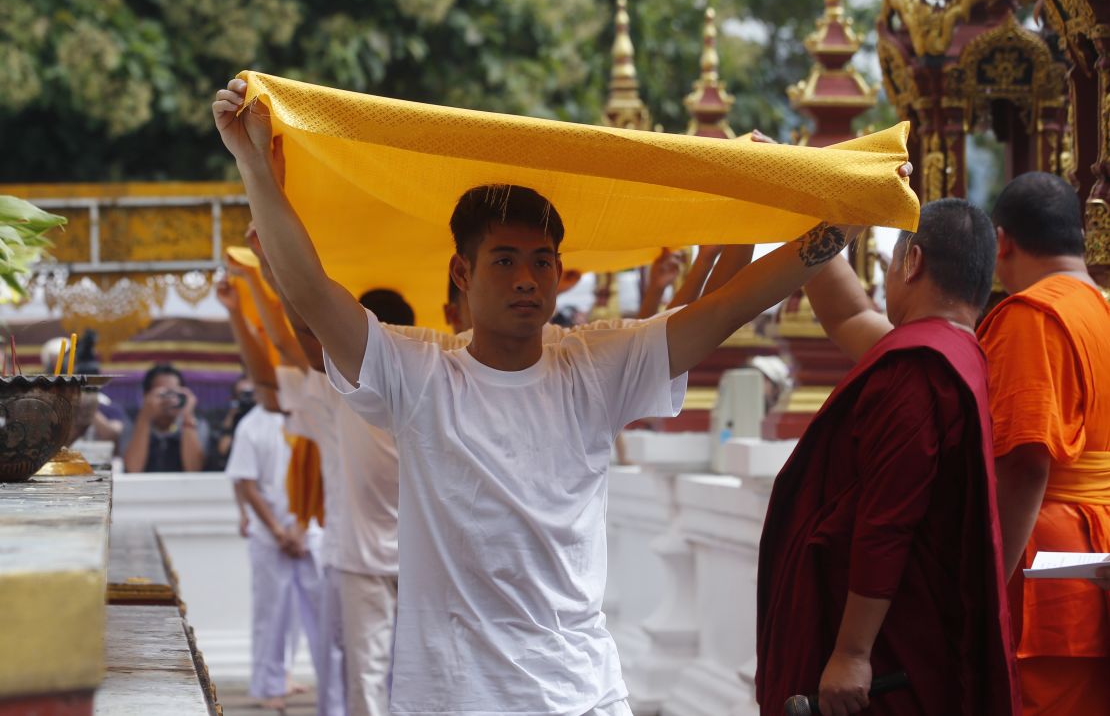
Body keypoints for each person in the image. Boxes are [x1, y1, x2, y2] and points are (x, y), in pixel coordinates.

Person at [214, 76, 901, 714]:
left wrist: (844, 215)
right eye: (505, 260)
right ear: (463, 272)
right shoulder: (416, 372)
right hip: (458, 696)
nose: (526, 278)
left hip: (584, 690)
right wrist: (252, 164)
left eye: (541, 261)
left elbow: (726, 306)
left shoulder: (594, 366)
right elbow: (308, 291)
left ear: (559, 274)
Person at [757, 198, 1019, 715]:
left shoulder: (918, 371)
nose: (883, 282)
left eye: (889, 265)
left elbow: (887, 522)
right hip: (914, 625)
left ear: (913, 262)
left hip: (886, 646)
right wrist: (796, 201)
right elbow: (847, 312)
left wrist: (852, 653)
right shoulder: (957, 353)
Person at [978, 172, 1110, 715]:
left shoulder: (1032, 316)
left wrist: (985, 583)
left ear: (1002, 242)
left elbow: (1028, 465)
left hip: (1051, 562)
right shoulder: (1102, 310)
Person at [217, 278, 327, 712]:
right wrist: (276, 527)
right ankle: (267, 686)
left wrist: (299, 526)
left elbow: (323, 481)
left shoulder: (310, 415)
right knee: (272, 613)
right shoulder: (254, 424)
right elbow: (244, 480)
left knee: (315, 618)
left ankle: (291, 679)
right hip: (274, 534)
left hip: (309, 530)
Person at [122, 363, 207, 473]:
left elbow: (194, 469)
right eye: (162, 393)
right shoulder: (132, 422)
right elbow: (133, 469)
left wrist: (187, 416)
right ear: (146, 395)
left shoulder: (196, 423)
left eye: (173, 392)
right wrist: (145, 417)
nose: (169, 400)